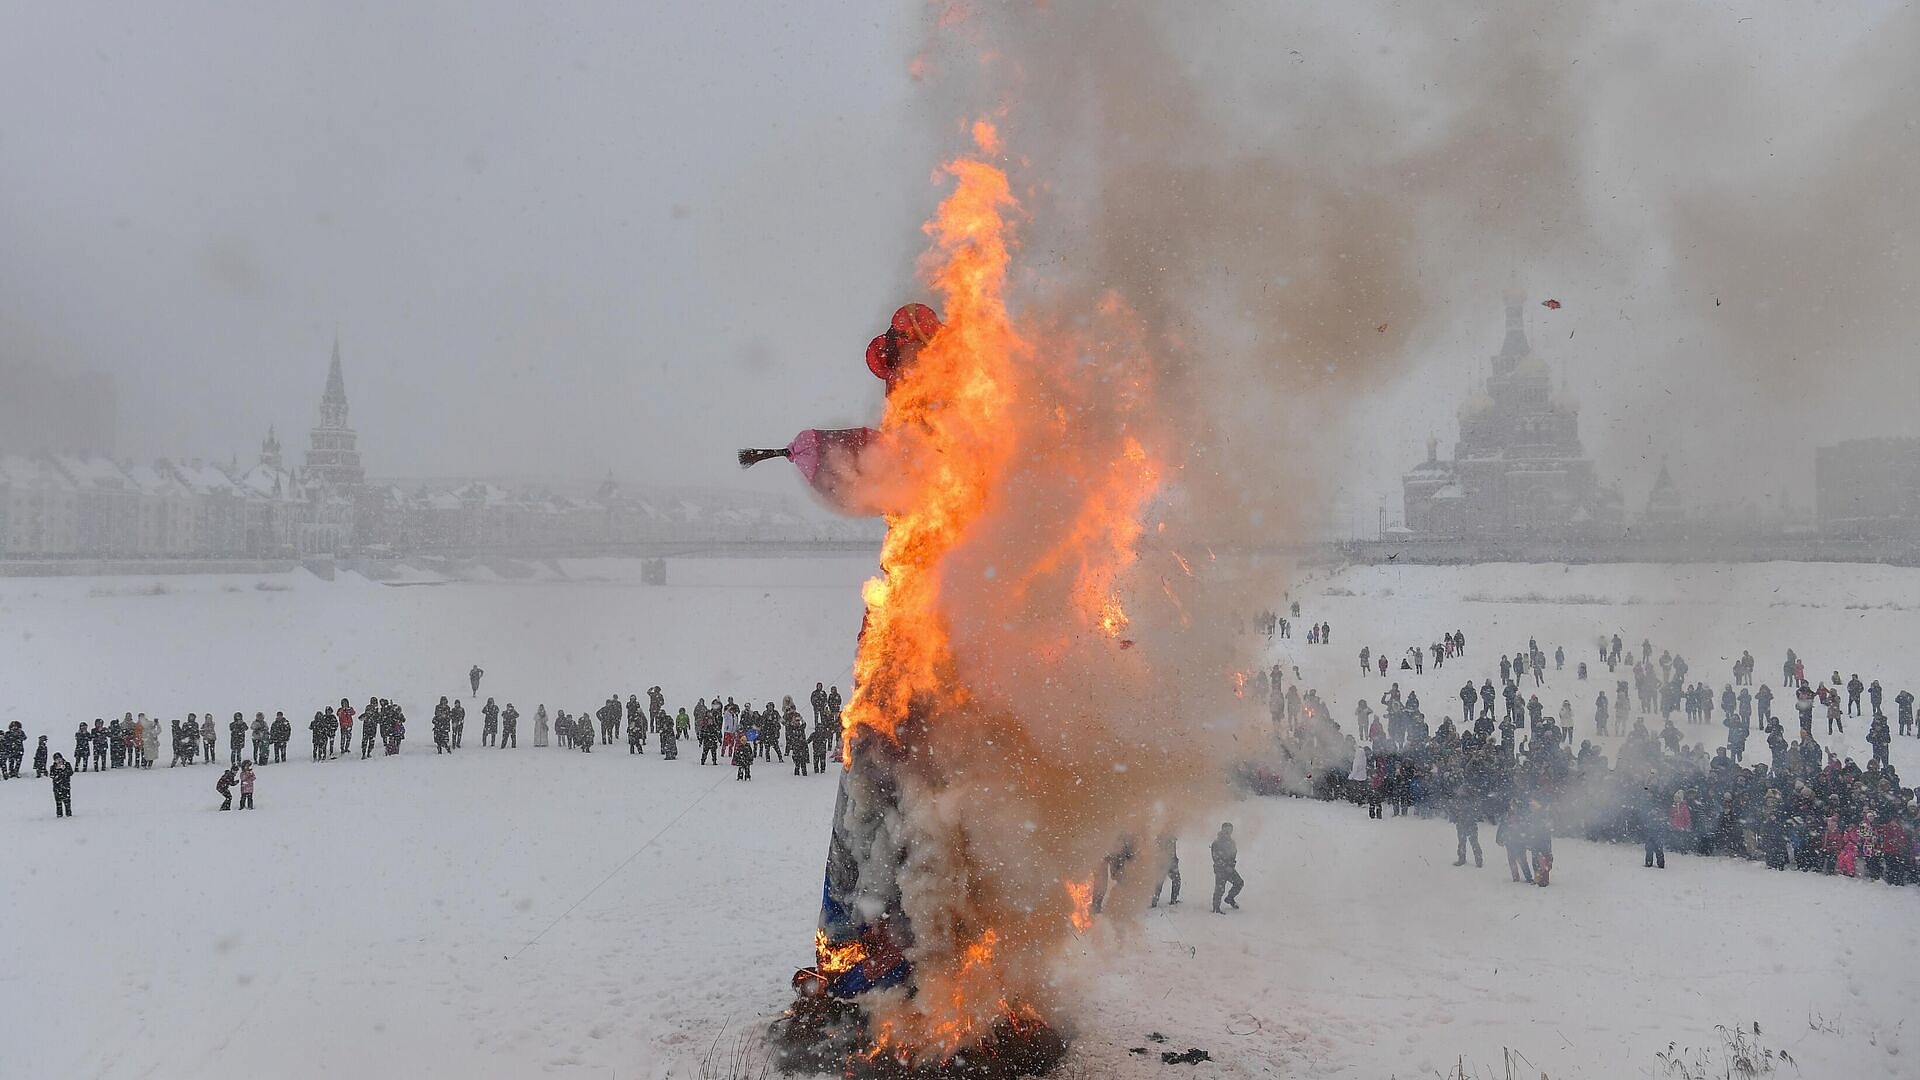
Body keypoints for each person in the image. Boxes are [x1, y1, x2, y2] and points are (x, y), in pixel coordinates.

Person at [1209, 823, 1242, 913]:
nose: (1228, 831)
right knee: (1220, 889)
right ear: (1222, 829)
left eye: (1230, 829)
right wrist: (1225, 866)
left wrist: (1232, 865)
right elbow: (1215, 858)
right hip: (1220, 870)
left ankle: (1229, 898)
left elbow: (1233, 855)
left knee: (1239, 883)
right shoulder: (1216, 842)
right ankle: (1216, 908)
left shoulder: (1232, 842)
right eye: (1226, 829)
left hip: (1230, 869)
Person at [1450, 782, 1483, 867]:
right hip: (1467, 824)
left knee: (1467, 842)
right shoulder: (1471, 799)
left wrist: (1457, 817)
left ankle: (1465, 859)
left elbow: (1457, 811)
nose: (1460, 791)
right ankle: (1476, 860)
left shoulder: (1465, 800)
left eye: (1461, 790)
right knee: (1469, 843)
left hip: (1466, 824)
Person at [1150, 835, 1182, 907]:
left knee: (1159, 882)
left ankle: (1154, 901)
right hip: (1168, 863)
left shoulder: (1161, 836)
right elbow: (1170, 852)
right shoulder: (1168, 837)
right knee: (1176, 880)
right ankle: (1173, 900)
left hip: (1163, 863)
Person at [49, 752, 74, 817]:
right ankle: (59, 815)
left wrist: (64, 770)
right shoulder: (53, 767)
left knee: (67, 801)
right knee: (58, 802)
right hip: (57, 787)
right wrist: (58, 771)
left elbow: (70, 773)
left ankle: (68, 814)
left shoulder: (67, 764)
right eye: (57, 759)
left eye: (60, 759)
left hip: (65, 786)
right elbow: (52, 776)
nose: (59, 761)